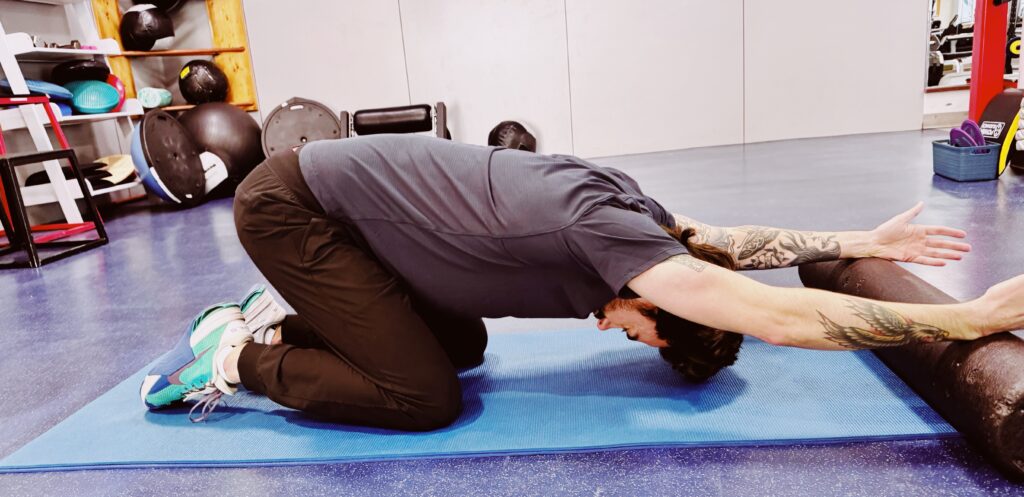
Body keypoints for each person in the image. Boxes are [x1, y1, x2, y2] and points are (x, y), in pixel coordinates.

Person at [140, 134, 1024, 429]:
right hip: (292, 208)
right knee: (423, 394)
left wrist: (856, 237)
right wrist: (968, 318)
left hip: (350, 221)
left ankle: (291, 320)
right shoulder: (611, 239)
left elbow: (731, 245)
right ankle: (239, 354)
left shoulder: (645, 227)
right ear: (662, 297)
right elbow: (777, 313)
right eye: (644, 329)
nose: (613, 330)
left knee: (465, 340)